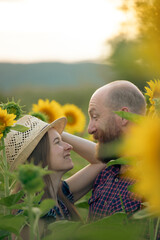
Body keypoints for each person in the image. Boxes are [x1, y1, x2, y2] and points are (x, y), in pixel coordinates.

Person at [62, 80, 146, 221]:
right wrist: (54, 132)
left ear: (122, 116)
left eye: (96, 117)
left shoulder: (152, 179)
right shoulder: (106, 172)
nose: (90, 129)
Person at [5, 115, 106, 233]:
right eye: (57, 142)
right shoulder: (29, 217)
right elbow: (102, 159)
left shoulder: (60, 195)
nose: (69, 146)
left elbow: (103, 159)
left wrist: (49, 130)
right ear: (39, 155)